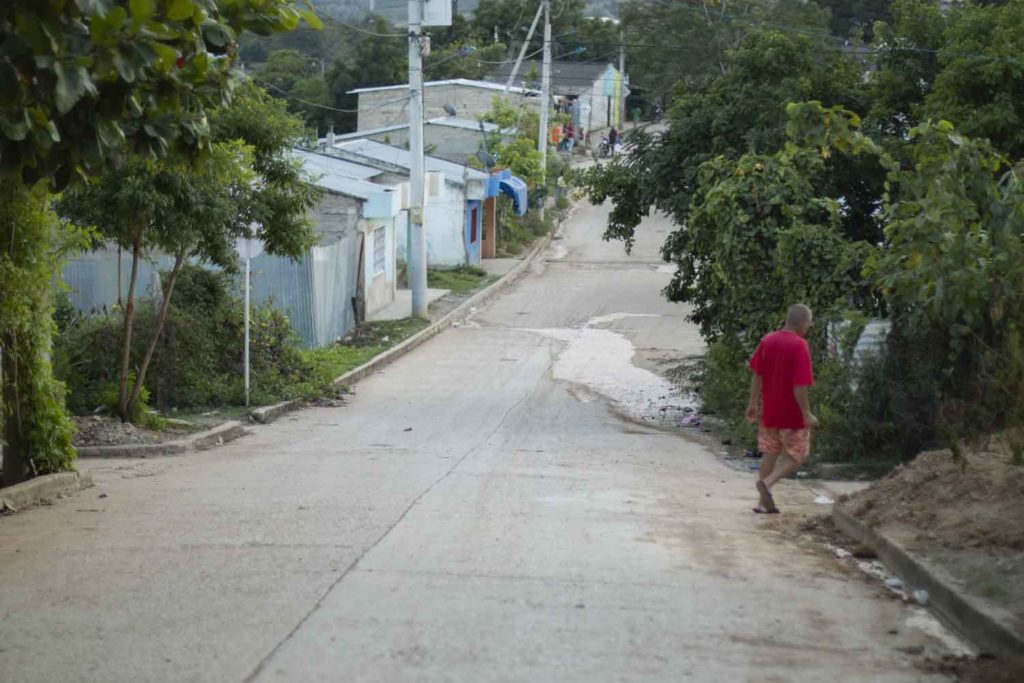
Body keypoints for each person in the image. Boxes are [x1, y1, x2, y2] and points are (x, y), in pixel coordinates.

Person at [745, 304, 817, 514]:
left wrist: (752, 404)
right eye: (808, 324)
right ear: (803, 324)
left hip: (770, 412)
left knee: (770, 453)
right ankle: (768, 483)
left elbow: (757, 375)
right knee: (797, 454)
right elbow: (800, 384)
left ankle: (761, 503)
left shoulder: (767, 341)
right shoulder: (799, 345)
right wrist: (806, 413)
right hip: (791, 414)